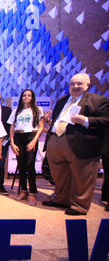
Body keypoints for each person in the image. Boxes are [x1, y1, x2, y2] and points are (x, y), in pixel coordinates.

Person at [42, 73, 109, 215]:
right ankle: (61, 199)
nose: (75, 86)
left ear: (87, 84)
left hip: (81, 144)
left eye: (79, 83)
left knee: (83, 176)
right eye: (72, 84)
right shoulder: (62, 100)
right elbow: (59, 119)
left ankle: (80, 205)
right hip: (56, 140)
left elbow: (106, 120)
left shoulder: (98, 101)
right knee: (59, 174)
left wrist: (85, 120)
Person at [8, 89, 44, 206]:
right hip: (19, 137)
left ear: (32, 97)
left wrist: (34, 140)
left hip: (31, 136)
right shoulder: (16, 111)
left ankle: (32, 193)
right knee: (22, 165)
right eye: (24, 95)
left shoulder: (38, 110)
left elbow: (41, 126)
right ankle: (23, 191)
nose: (26, 97)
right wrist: (12, 143)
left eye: (29, 95)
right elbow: (12, 128)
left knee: (30, 165)